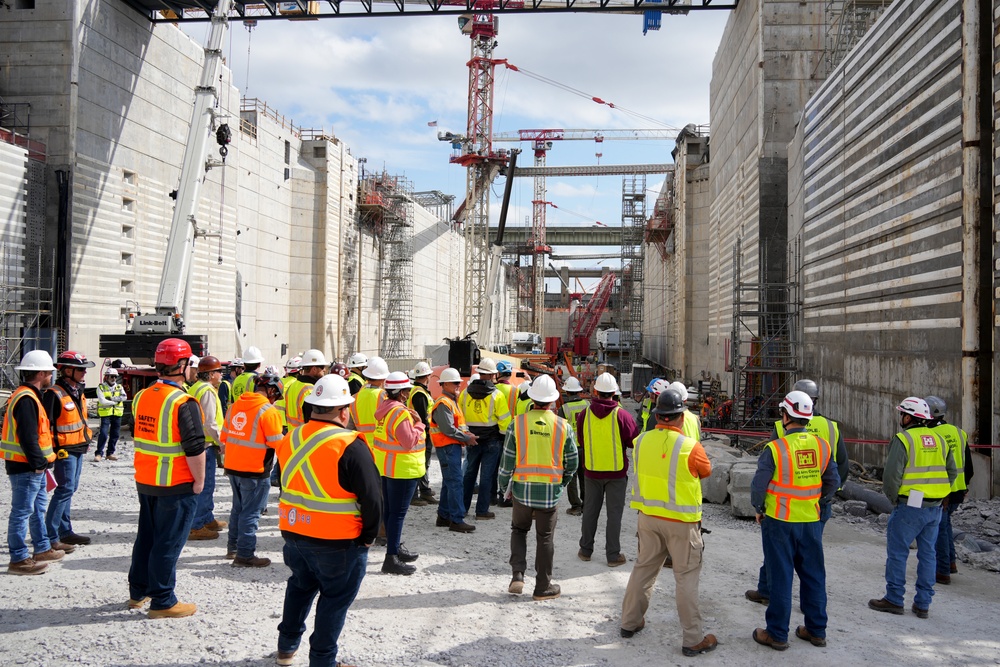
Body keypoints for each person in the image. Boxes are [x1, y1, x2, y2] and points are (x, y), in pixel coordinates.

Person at [275, 374, 382, 667]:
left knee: (299, 586)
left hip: (294, 532)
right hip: (339, 540)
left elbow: (285, 482)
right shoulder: (350, 444)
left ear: (312, 407)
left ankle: (286, 648)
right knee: (334, 600)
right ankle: (322, 661)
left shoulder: (290, 437)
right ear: (344, 411)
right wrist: (370, 536)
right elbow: (372, 498)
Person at [620, 388, 716, 656]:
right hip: (682, 522)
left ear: (659, 415)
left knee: (644, 569)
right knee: (685, 576)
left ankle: (629, 621)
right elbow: (705, 471)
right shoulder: (690, 446)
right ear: (680, 416)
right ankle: (693, 638)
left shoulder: (641, 441)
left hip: (649, 517)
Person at [746, 377, 848, 605]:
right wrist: (824, 498)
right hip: (815, 508)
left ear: (786, 412)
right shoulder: (830, 428)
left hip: (781, 510)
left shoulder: (779, 431)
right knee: (810, 563)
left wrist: (760, 506)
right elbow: (841, 466)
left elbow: (765, 473)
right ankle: (813, 620)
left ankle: (768, 595)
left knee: (777, 560)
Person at [750, 390, 837, 651]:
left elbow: (758, 486)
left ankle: (777, 633)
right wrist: (820, 504)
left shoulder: (775, 448)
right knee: (813, 576)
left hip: (779, 521)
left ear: (785, 416)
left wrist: (759, 507)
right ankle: (816, 630)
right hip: (811, 521)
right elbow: (833, 481)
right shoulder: (822, 446)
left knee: (781, 577)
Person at [128, 338, 206, 618]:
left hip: (147, 480)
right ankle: (162, 600)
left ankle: (138, 592)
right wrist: (199, 482)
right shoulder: (184, 401)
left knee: (147, 537)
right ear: (181, 366)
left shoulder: (143, 395)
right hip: (175, 483)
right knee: (168, 542)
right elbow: (194, 447)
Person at [869, 397, 956, 619]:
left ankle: (895, 599)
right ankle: (923, 604)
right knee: (928, 554)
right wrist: (941, 494)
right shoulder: (939, 440)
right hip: (935, 508)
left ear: (908, 417)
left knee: (898, 553)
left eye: (902, 414)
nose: (900, 418)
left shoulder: (904, 439)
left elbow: (891, 476)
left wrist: (894, 499)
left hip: (910, 505)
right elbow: (952, 472)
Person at [498, 374, 578, 601]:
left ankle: (517, 576)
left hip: (522, 491)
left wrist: (505, 486)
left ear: (532, 398)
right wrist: (563, 482)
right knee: (545, 538)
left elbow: (507, 461)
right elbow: (572, 460)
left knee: (519, 530)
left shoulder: (518, 423)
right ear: (553, 400)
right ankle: (542, 586)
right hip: (549, 493)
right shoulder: (563, 426)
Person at [3, 350, 63, 575]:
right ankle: (18, 559)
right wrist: (38, 463)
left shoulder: (27, 396)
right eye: (49, 372)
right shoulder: (26, 399)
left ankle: (42, 548)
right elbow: (28, 436)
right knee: (22, 511)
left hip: (33, 465)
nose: (51, 376)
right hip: (26, 466)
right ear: (40, 373)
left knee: (37, 508)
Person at [222, 371, 284, 567]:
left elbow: (224, 437)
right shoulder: (268, 411)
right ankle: (245, 555)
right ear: (272, 391)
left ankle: (233, 548)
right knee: (251, 513)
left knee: (238, 509)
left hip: (233, 467)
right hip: (255, 470)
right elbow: (277, 443)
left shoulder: (234, 406)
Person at [576, 372, 638, 567]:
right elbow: (633, 441)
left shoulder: (584, 414)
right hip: (616, 473)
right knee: (614, 515)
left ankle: (585, 550)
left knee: (590, 512)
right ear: (614, 392)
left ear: (596, 391)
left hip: (592, 471)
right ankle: (613, 555)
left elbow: (581, 440)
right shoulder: (622, 415)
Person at [372, 372, 426, 575]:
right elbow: (409, 441)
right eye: (407, 390)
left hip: (387, 467)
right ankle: (391, 557)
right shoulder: (400, 413)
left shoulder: (384, 409)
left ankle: (394, 549)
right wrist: (420, 424)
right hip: (403, 469)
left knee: (390, 512)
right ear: (403, 393)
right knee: (397, 514)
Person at [44, 350, 96, 549]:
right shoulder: (54, 394)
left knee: (70, 489)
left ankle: (64, 532)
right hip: (63, 450)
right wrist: (49, 453)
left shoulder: (76, 390)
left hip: (77, 447)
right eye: (80, 369)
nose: (84, 373)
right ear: (66, 370)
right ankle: (51, 536)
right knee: (64, 490)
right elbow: (45, 426)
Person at [925, 395, 974, 585]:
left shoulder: (931, 435)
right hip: (958, 490)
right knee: (946, 526)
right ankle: (951, 563)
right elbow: (968, 465)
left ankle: (942, 571)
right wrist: (964, 485)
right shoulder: (958, 432)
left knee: (939, 529)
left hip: (942, 491)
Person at [459, 358, 512, 520]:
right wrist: (504, 439)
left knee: (469, 475)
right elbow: (504, 422)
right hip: (492, 441)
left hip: (471, 440)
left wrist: (465, 435)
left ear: (479, 373)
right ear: (493, 375)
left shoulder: (465, 393)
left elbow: (459, 417)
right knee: (487, 477)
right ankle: (482, 511)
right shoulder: (497, 395)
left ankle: (463, 508)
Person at [430, 368, 477, 533]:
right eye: (456, 383)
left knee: (449, 482)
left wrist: (465, 434)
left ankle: (444, 516)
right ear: (445, 384)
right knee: (456, 483)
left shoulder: (450, 401)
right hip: (448, 447)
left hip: (450, 446)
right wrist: (466, 438)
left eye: (459, 382)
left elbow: (453, 427)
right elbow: (448, 429)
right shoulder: (444, 403)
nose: (459, 385)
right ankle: (456, 519)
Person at [407, 361, 438, 507]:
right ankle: (416, 494)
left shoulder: (417, 391)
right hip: (421, 433)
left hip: (419, 432)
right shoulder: (419, 393)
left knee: (423, 463)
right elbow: (422, 416)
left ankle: (424, 490)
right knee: (421, 463)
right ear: (427, 376)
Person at [559, 376, 590, 516]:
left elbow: (560, 430)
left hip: (571, 448)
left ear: (567, 391)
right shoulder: (588, 405)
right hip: (586, 446)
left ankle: (576, 506)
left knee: (571, 477)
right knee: (585, 477)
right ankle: (586, 504)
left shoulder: (564, 408)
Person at [349, 356, 389, 449]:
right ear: (383, 378)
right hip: (381, 446)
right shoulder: (384, 396)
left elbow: (350, 427)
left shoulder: (354, 398)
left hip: (361, 446)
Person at [94, 368, 126, 462]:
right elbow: (102, 401)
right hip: (106, 414)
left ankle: (110, 453)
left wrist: (111, 398)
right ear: (107, 377)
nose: (114, 378)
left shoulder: (119, 387)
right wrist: (115, 401)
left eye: (115, 377)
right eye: (112, 376)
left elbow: (124, 397)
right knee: (103, 433)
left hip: (117, 413)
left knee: (115, 434)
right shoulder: (101, 387)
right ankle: (99, 453)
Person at [274, 355, 301, 432]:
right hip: (287, 424)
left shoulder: (279, 381)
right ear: (300, 371)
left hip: (273, 420)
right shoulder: (297, 385)